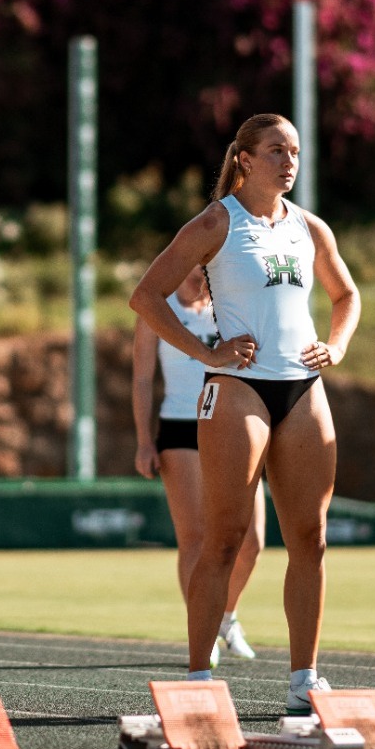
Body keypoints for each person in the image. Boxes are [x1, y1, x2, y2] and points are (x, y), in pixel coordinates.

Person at [129, 113, 360, 714]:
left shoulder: (310, 228)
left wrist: (335, 346)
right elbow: (146, 296)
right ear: (246, 158)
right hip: (237, 390)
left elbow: (347, 295)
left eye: (296, 152)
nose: (289, 161)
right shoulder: (216, 222)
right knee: (224, 540)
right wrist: (205, 351)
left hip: (304, 387)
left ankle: (303, 679)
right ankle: (200, 678)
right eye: (277, 150)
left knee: (310, 537)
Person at [131, 266, 265, 665]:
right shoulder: (160, 309)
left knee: (252, 540)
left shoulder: (232, 308)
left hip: (233, 424)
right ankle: (201, 635)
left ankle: (226, 617)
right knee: (195, 537)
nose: (197, 276)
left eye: (206, 269)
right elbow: (141, 378)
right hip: (180, 426)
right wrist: (143, 440)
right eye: (191, 266)